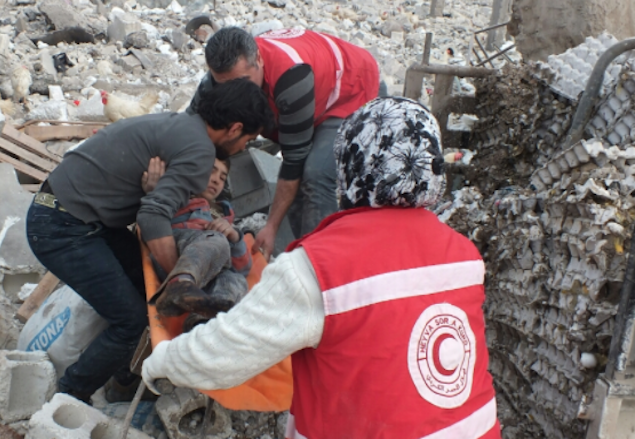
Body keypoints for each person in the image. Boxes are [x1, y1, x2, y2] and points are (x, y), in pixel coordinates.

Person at [143, 98, 502, 439]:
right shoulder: (463, 254)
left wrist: (160, 363)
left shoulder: (319, 268)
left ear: (350, 162)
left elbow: (220, 355)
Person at [25, 78, 273, 404]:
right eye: (247, 140)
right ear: (234, 128)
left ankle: (126, 374)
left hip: (72, 212)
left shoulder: (183, 126)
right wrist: (177, 280)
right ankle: (70, 396)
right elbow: (154, 216)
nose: (243, 148)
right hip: (63, 225)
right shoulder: (199, 151)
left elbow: (155, 205)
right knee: (131, 320)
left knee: (146, 291)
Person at [187, 26, 381, 259]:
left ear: (258, 59)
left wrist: (271, 226)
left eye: (242, 82)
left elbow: (294, 161)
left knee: (315, 174)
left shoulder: (291, 77)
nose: (234, 91)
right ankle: (294, 253)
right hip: (300, 92)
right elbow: (187, 128)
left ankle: (319, 264)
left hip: (346, 91)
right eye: (225, 84)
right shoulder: (219, 79)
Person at [143, 157, 252, 332]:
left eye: (223, 177)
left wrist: (234, 237)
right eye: (212, 171)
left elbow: (244, 269)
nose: (217, 179)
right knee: (217, 240)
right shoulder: (178, 196)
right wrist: (155, 192)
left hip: (206, 274)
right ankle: (179, 283)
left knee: (235, 279)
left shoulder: (222, 217)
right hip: (175, 252)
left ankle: (203, 322)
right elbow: (153, 214)